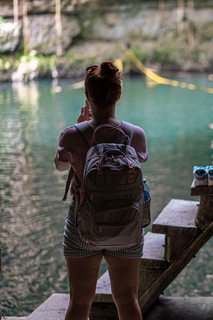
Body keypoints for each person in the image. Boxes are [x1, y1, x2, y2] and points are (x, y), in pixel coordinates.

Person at [54, 61, 148, 320]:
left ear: (87, 95)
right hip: (128, 227)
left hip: (82, 227)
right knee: (128, 301)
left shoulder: (71, 136)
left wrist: (80, 126)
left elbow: (60, 166)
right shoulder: (135, 134)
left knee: (80, 302)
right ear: (118, 94)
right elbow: (141, 159)